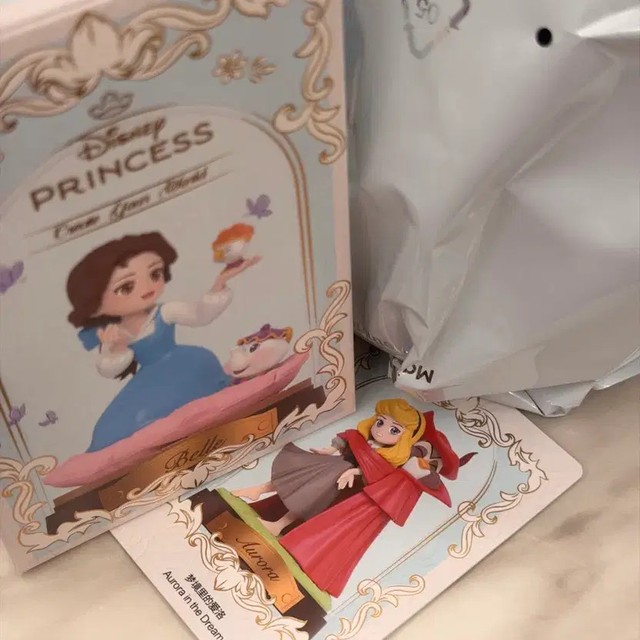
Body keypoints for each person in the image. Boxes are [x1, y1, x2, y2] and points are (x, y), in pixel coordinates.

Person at [66, 231, 260, 452]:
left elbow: (199, 314)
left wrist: (220, 283)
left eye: (155, 274)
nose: (147, 288)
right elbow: (108, 369)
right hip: (150, 380)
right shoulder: (112, 332)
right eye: (126, 287)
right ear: (96, 305)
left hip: (186, 365)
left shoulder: (165, 312)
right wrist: (117, 347)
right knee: (116, 426)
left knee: (171, 407)